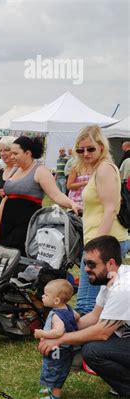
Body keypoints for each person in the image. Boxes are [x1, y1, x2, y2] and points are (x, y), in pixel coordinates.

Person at [38, 235, 130, 399]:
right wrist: (58, 328)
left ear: (110, 263)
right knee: (94, 346)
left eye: (91, 264)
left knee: (93, 350)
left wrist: (59, 340)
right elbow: (94, 317)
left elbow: (101, 332)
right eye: (85, 263)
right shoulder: (110, 280)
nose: (86, 269)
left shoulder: (122, 287)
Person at [74, 125, 129, 315]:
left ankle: (81, 343)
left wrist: (95, 248)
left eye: (90, 149)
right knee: (101, 303)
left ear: (101, 147)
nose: (85, 153)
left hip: (104, 242)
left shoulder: (104, 168)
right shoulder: (99, 169)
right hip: (104, 241)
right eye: (81, 150)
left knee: (87, 304)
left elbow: (110, 209)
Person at [0, 136, 80, 253]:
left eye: (15, 153)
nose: (11, 156)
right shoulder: (15, 169)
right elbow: (5, 200)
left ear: (27, 153)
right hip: (6, 225)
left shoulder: (40, 171)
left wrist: (72, 204)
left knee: (19, 260)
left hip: (26, 226)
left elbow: (56, 195)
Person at [33, 279, 80, 399]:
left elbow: (58, 332)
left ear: (56, 300)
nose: (42, 296)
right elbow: (77, 317)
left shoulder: (56, 315)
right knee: (54, 368)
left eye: (46, 295)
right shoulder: (68, 309)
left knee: (55, 369)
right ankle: (51, 388)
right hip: (65, 348)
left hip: (59, 350)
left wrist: (42, 333)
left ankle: (55, 396)